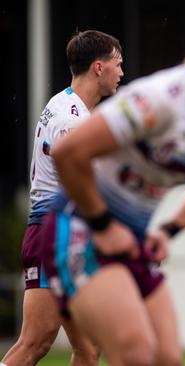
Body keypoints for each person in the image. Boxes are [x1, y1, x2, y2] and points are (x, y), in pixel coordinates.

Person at [39, 14, 185, 366]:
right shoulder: (160, 99)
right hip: (77, 227)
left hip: (131, 237)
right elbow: (68, 153)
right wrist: (103, 225)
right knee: (133, 355)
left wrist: (169, 228)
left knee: (167, 359)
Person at [1, 30, 123, 366]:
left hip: (62, 233)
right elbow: (82, 187)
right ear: (98, 67)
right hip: (53, 235)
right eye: (118, 64)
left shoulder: (63, 103)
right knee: (35, 342)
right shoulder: (73, 120)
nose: (122, 72)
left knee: (88, 347)